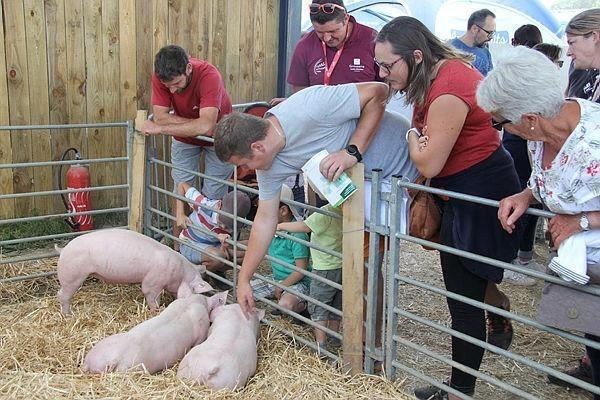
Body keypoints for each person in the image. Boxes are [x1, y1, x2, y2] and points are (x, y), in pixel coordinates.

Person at [375, 16, 523, 399]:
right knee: (466, 285)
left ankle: (459, 391)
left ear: (417, 56)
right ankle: (499, 308)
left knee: (462, 301)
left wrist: (411, 134)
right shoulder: (436, 77)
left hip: (479, 193)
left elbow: (428, 162)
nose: (382, 73)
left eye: (389, 65)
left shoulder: (449, 86)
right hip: (459, 190)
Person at [213, 81, 418, 318]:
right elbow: (265, 218)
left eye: (244, 163)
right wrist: (244, 279)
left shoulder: (307, 108)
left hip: (407, 167)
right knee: (363, 271)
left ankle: (373, 345)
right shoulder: (267, 166)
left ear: (257, 147)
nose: (247, 169)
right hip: (368, 195)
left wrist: (351, 152)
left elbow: (378, 92)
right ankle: (370, 347)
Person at [478, 45, 600, 400]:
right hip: (583, 261)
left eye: (500, 122)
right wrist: (525, 195)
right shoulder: (540, 135)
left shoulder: (594, 142)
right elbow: (549, 179)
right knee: (591, 332)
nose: (500, 129)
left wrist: (581, 221)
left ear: (529, 117)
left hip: (588, 247)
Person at [543, 8, 600, 390]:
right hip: (586, 211)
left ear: (597, 36)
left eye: (574, 41)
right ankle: (592, 367)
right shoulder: (582, 77)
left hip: (592, 217)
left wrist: (583, 221)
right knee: (590, 307)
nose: (569, 50)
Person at [143, 45, 235, 250]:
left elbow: (207, 126)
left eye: (176, 84)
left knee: (213, 196)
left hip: (218, 139)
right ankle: (178, 252)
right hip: (185, 140)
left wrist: (163, 129)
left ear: (188, 69)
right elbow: (159, 116)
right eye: (168, 87)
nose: (172, 91)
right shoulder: (162, 76)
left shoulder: (209, 75)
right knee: (180, 191)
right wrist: (194, 125)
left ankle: (210, 257)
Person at [501, 26, 545, 287]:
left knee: (528, 198)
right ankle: (514, 258)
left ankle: (521, 256)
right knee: (523, 200)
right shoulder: (520, 73)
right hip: (519, 144)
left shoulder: (516, 71)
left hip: (523, 143)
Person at [271, 0, 379, 106]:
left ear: (346, 19)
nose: (327, 38)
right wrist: (293, 102)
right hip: (320, 117)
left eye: (333, 31)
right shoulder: (305, 45)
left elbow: (384, 90)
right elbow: (300, 90)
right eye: (320, 32)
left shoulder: (372, 40)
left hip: (362, 116)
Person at [277, 203, 343, 353]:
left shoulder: (326, 212)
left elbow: (305, 227)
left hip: (323, 267)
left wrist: (281, 226)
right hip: (341, 265)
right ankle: (334, 338)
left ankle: (321, 345)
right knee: (335, 304)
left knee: (319, 305)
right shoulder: (346, 209)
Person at [250, 185, 311, 317]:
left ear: (283, 210)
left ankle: (304, 307)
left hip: (298, 282)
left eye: (266, 209)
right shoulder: (271, 226)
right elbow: (255, 245)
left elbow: (301, 270)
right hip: (277, 278)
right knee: (245, 293)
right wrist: (232, 243)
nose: (262, 213)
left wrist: (281, 286)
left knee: (286, 305)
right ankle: (282, 296)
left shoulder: (297, 234)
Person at [176, 182, 251, 277]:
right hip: (191, 243)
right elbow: (182, 185)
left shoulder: (238, 223)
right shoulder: (205, 205)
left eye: (229, 226)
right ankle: (196, 278)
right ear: (219, 206)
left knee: (248, 255)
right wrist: (180, 214)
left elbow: (228, 245)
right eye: (222, 220)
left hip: (214, 246)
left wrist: (225, 245)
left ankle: (213, 272)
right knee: (218, 257)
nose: (223, 227)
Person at [449, 9, 496, 76]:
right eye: (489, 33)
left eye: (493, 33)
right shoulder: (450, 51)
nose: (491, 38)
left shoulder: (485, 51)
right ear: (474, 29)